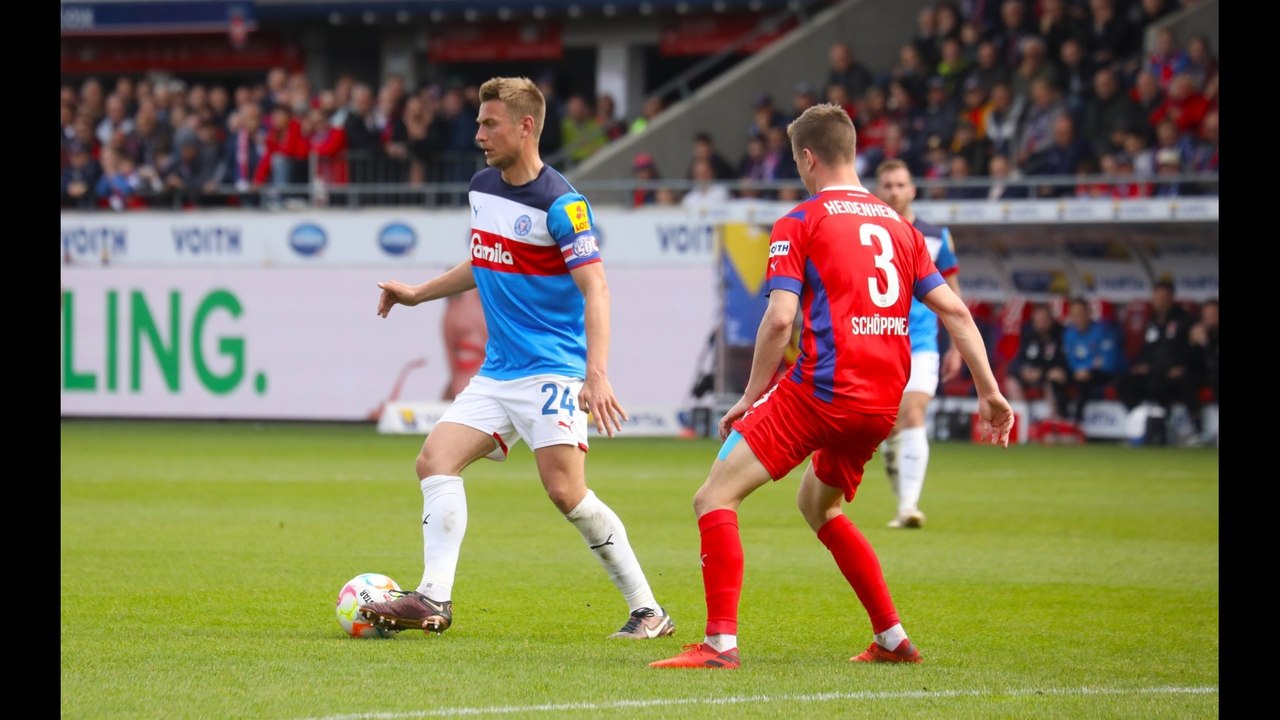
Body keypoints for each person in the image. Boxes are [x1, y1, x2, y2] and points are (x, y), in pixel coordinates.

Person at [649, 104, 1014, 670]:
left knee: (713, 497)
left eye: (797, 162)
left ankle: (720, 645)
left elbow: (778, 320)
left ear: (808, 158)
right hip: (880, 404)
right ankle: (892, 638)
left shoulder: (801, 220)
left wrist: (749, 398)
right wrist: (990, 392)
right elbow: (958, 314)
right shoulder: (904, 230)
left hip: (820, 393)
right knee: (819, 506)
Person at [360, 76, 675, 641]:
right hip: (497, 372)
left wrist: (595, 375)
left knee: (566, 494)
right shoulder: (483, 187)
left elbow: (596, 288)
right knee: (435, 461)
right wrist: (416, 292)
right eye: (480, 123)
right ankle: (433, 598)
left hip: (553, 371)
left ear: (525, 126)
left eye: (489, 124)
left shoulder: (563, 204)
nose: (479, 134)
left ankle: (648, 610)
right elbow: (481, 260)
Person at [873, 159, 962, 529]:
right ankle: (894, 459)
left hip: (921, 342)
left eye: (900, 184)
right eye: (888, 185)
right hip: (877, 340)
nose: (894, 191)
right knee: (887, 426)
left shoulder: (937, 235)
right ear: (879, 191)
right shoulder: (869, 230)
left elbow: (952, 292)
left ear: (912, 190)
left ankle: (908, 507)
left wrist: (956, 344)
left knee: (913, 412)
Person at [1062, 297, 1124, 425]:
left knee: (1085, 382)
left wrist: (1088, 368)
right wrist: (1078, 370)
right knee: (1057, 380)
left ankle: (1077, 422)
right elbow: (1069, 359)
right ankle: (1060, 419)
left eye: (1081, 313)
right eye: (1074, 314)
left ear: (1088, 313)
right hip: (1078, 373)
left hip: (1101, 374)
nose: (1078, 318)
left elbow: (1108, 361)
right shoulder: (1069, 334)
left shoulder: (1103, 330)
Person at [1006, 303, 1071, 420]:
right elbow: (1016, 361)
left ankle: (1053, 420)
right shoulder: (1028, 334)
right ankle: (1024, 420)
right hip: (1031, 376)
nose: (1040, 324)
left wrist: (1042, 372)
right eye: (1037, 320)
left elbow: (1062, 361)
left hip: (1049, 376)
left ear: (1051, 320)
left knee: (1053, 379)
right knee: (1011, 381)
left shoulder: (1060, 334)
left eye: (1043, 320)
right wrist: (1023, 370)